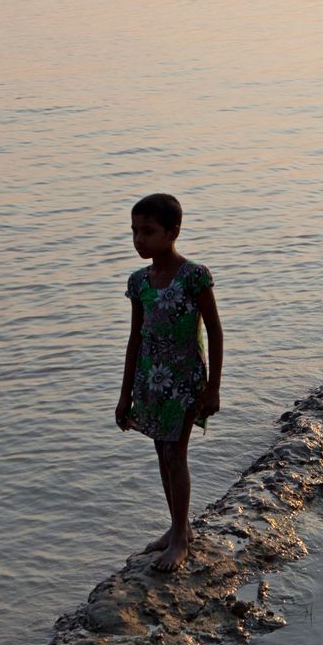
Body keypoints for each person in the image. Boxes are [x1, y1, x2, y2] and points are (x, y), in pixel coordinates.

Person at [116, 193, 222, 572]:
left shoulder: (194, 276)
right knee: (162, 453)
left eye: (148, 231)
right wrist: (125, 394)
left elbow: (214, 330)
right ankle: (179, 526)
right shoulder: (138, 282)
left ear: (173, 232)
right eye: (134, 231)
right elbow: (135, 339)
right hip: (151, 379)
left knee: (176, 454)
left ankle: (179, 538)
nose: (139, 239)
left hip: (186, 379)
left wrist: (213, 387)